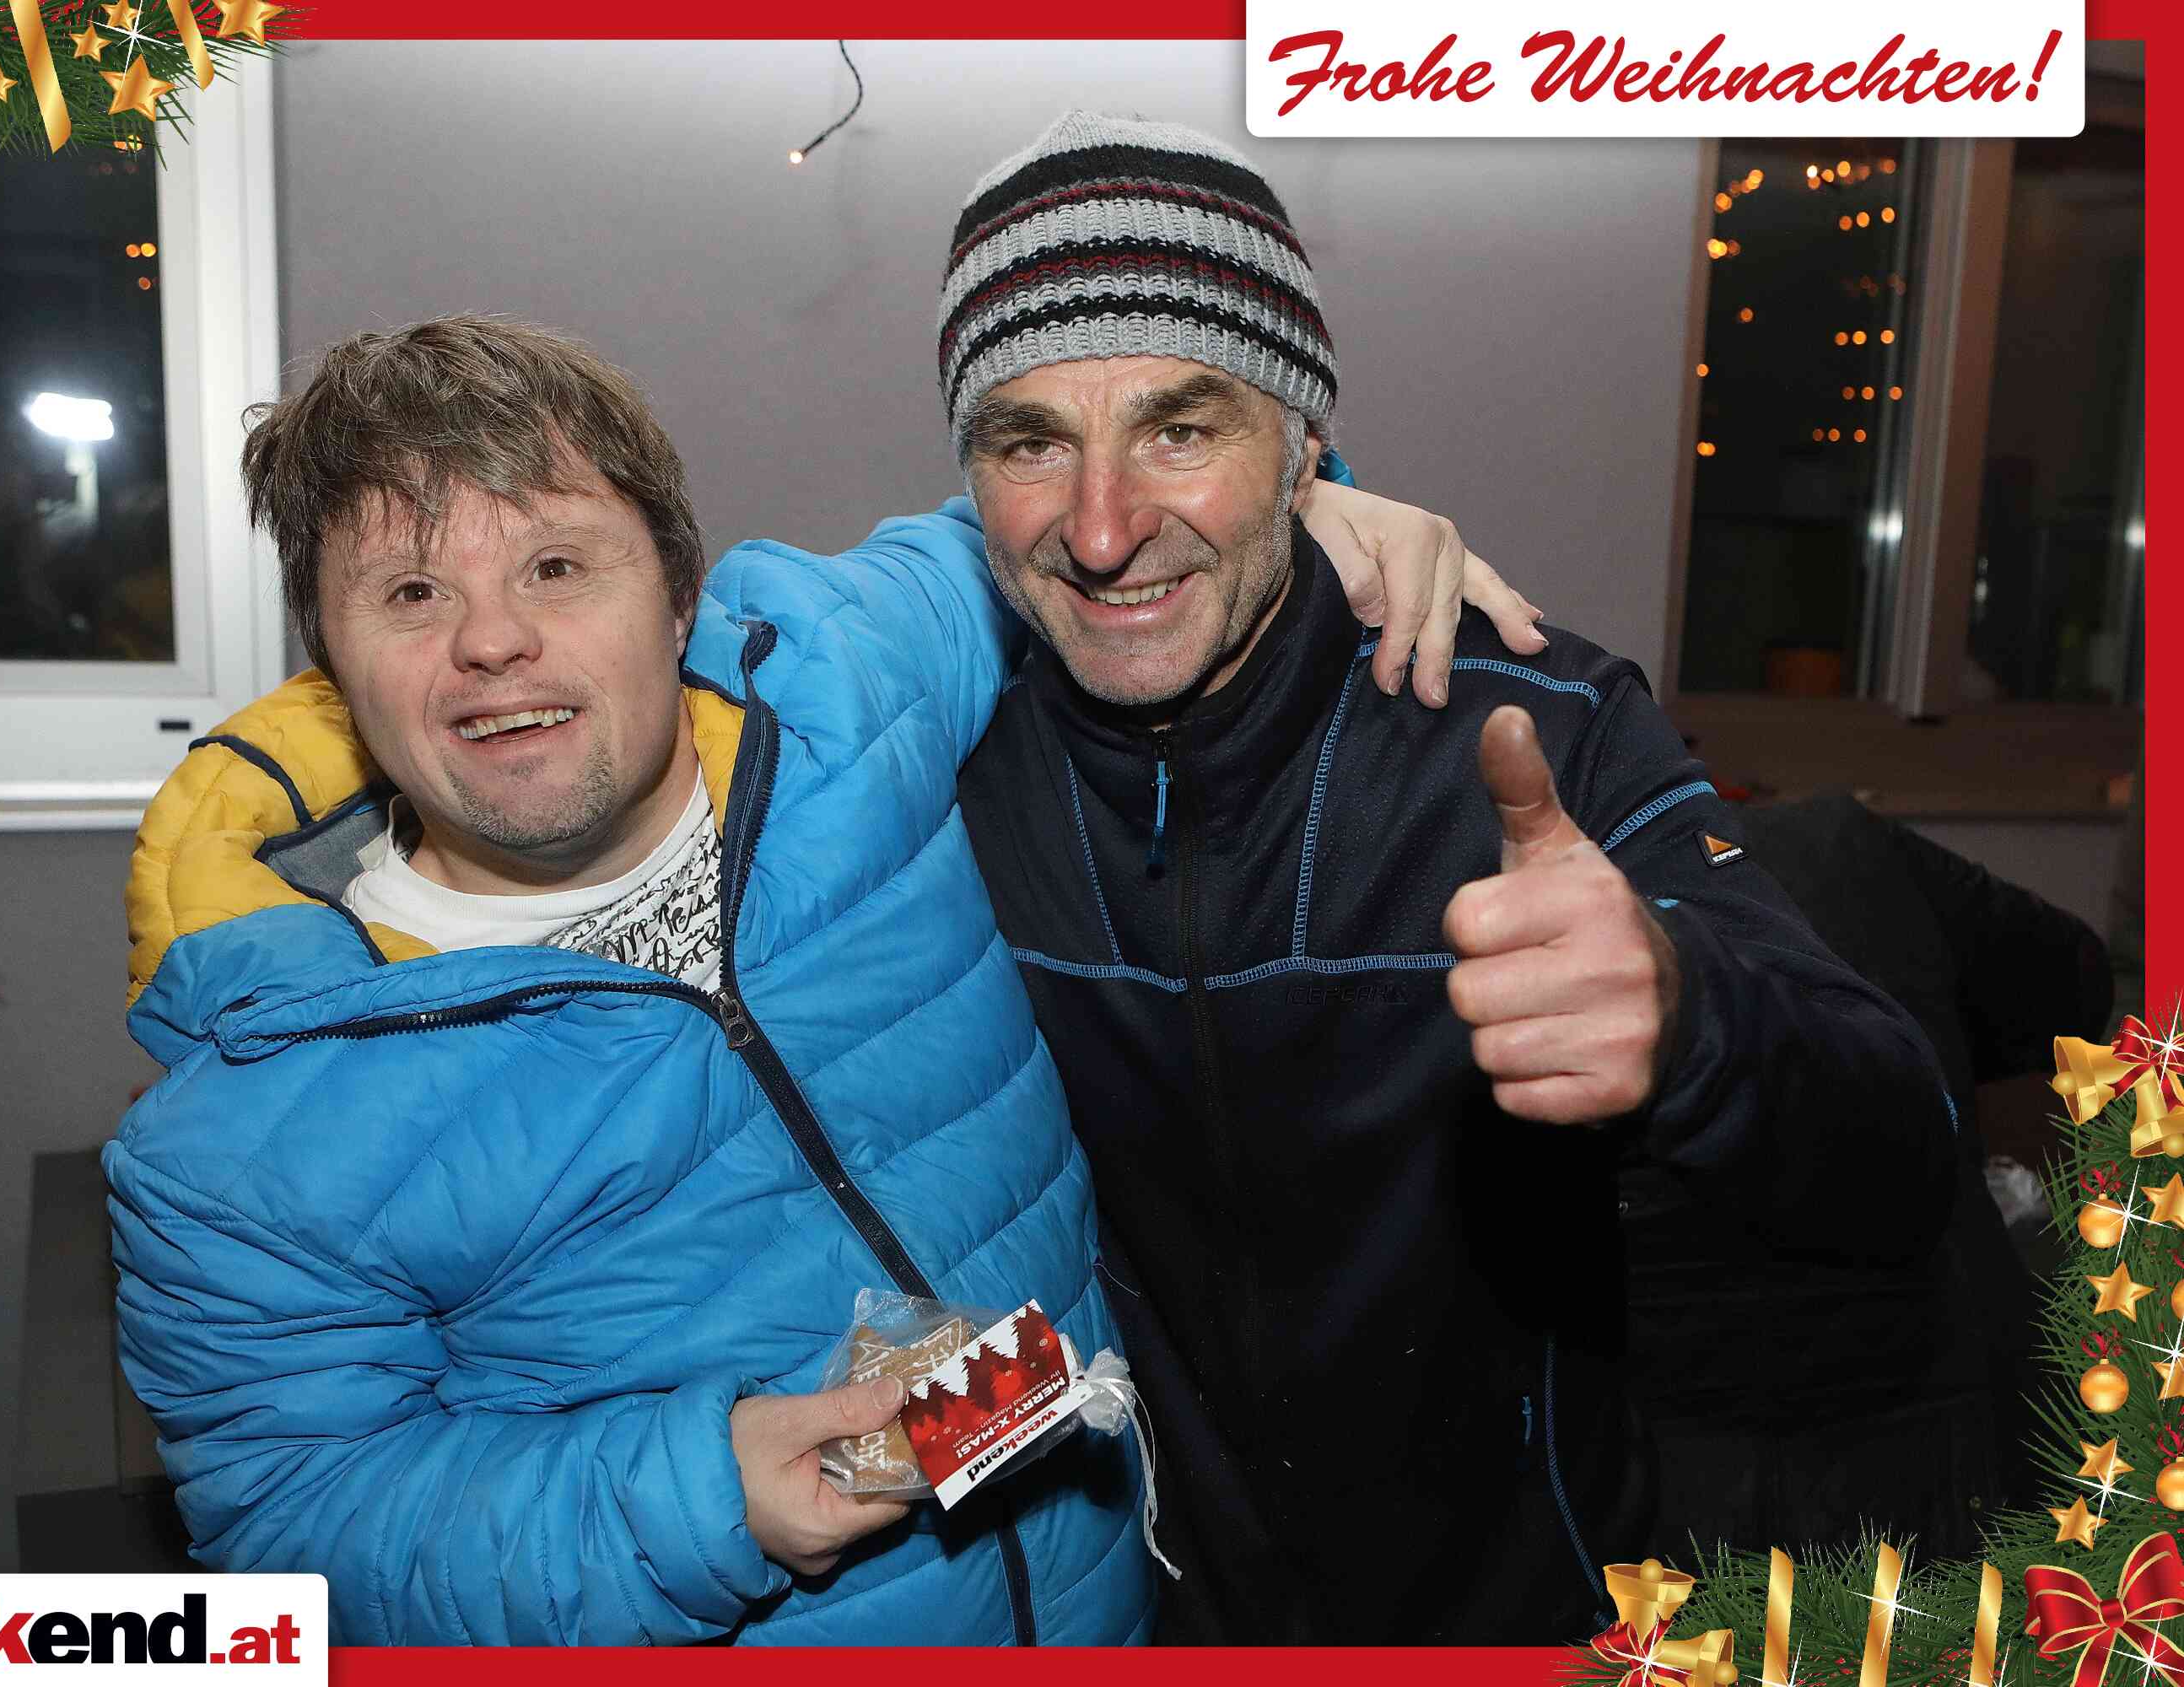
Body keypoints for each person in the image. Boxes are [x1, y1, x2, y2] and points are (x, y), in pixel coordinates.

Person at [104, 315, 1540, 1644]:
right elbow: (295, 1535)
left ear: (679, 595)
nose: (491, 642)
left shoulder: (844, 681)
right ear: (331, 660)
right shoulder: (241, 1128)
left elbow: (1081, 524)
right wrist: (700, 1497)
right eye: (411, 593)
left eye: (556, 567)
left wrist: (1314, 505)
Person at [941, 112, 1963, 1642]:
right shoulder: (951, 776)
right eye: (1031, 442)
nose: (1100, 528)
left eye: (1181, 428)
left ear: (1304, 448)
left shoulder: (1535, 721)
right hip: (1149, 1624)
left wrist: (1691, 1017)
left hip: (1536, 1618)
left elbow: (1903, 1154)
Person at [1623, 791, 2111, 1561]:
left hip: (1680, 1490)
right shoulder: (1832, 839)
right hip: (1964, 1437)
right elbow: (2073, 986)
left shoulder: (1482, 912)